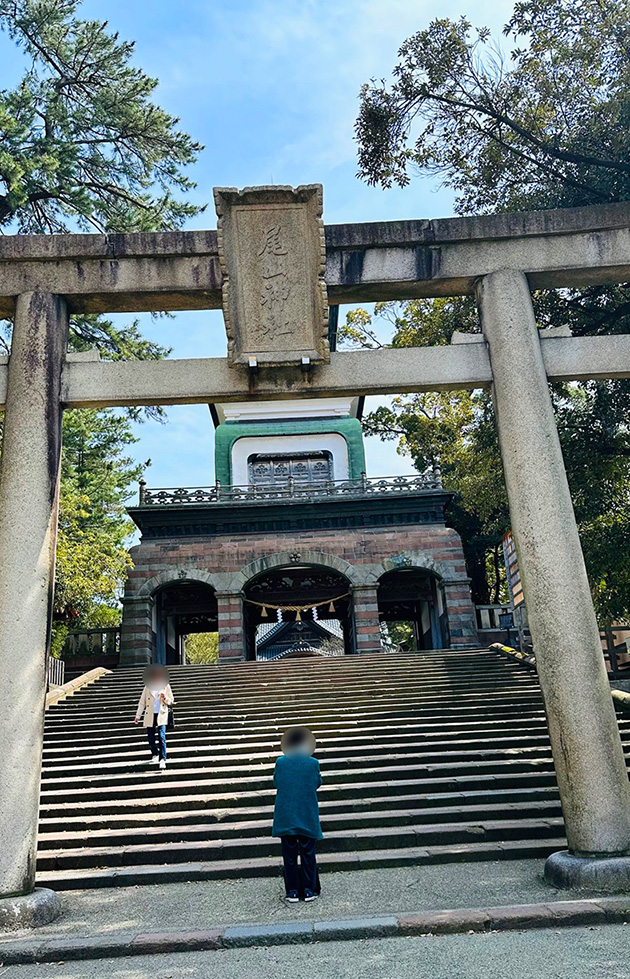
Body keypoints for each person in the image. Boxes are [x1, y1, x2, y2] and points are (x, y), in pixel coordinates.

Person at [272, 726, 323, 903]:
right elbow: (317, 783)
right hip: (306, 812)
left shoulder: (280, 762)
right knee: (308, 852)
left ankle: (292, 891)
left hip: (286, 814)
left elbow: (277, 782)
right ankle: (309, 889)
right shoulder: (313, 763)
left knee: (289, 854)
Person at [134, 665, 174, 771]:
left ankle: (163, 758)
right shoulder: (148, 687)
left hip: (161, 714)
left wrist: (165, 697)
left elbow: (171, 701)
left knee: (161, 736)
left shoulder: (165, 686)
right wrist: (138, 716)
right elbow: (142, 703)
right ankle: (155, 753)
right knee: (151, 737)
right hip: (150, 714)